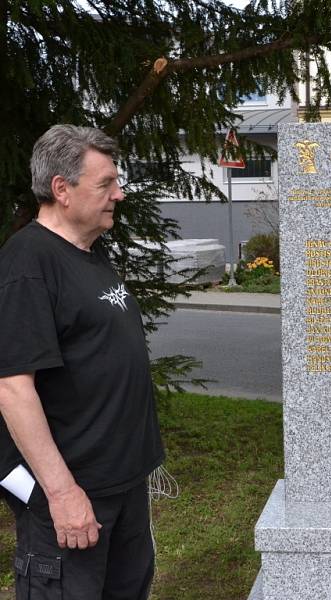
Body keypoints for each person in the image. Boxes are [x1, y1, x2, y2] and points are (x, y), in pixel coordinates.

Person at [0, 125, 164, 599]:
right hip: (73, 500)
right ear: (61, 189)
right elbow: (12, 387)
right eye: (106, 183)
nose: (120, 193)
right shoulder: (27, 264)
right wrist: (61, 493)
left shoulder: (87, 253)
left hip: (122, 489)